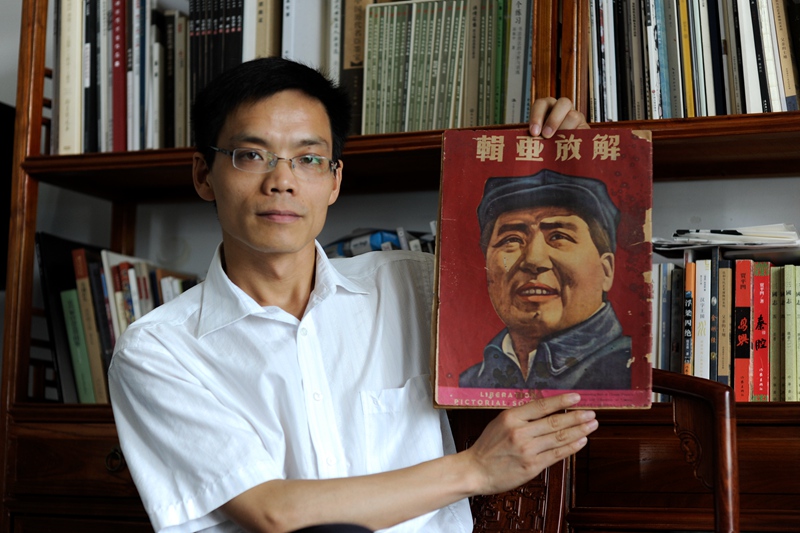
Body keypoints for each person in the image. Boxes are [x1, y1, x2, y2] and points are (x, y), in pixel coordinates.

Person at [108, 57, 595, 533]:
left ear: (334, 180)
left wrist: (569, 159)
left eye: (308, 159)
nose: (282, 182)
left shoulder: (416, 286)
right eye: (252, 155)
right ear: (203, 175)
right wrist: (476, 470)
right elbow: (274, 513)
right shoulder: (159, 349)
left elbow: (556, 333)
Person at [459, 171, 632, 390]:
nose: (534, 260)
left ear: (606, 270)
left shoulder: (633, 371)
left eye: (559, 237)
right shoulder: (468, 384)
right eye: (511, 239)